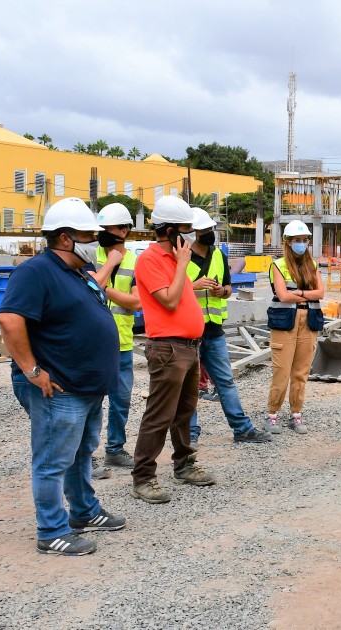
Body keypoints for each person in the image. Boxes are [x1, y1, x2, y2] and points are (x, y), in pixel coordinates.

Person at [0, 197, 125, 556]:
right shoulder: (35, 271)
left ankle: (84, 511)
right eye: (89, 235)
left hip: (85, 385)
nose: (95, 242)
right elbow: (10, 320)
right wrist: (32, 370)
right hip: (58, 387)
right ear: (66, 238)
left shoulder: (77, 272)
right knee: (53, 459)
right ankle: (51, 530)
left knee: (81, 453)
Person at [130, 196, 216, 504]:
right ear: (169, 231)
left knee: (184, 412)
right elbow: (168, 299)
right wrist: (182, 265)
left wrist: (182, 266)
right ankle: (143, 477)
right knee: (159, 415)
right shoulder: (150, 260)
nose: (191, 234)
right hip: (168, 347)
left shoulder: (174, 261)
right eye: (186, 229)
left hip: (188, 347)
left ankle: (183, 464)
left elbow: (181, 293)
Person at [187, 207, 271, 446]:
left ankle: (242, 429)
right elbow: (173, 292)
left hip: (214, 331)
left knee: (225, 381)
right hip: (190, 332)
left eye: (210, 229)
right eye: (204, 230)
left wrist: (220, 291)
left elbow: (227, 289)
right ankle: (190, 434)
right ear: (193, 232)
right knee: (190, 386)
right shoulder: (181, 259)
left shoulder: (218, 255)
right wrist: (194, 286)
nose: (209, 233)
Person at [89, 202, 142, 469]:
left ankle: (115, 448)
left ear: (123, 231)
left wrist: (104, 290)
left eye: (108, 229)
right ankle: (85, 455)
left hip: (122, 341)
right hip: (94, 343)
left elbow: (136, 303)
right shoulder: (89, 255)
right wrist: (109, 263)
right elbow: (89, 288)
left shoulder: (135, 260)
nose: (102, 233)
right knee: (91, 403)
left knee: (121, 401)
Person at [266, 219, 325, 435]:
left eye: (305, 240)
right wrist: (304, 294)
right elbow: (282, 295)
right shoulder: (278, 265)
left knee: (300, 372)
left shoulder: (313, 265)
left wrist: (299, 294)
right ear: (288, 242)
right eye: (297, 240)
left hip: (308, 321)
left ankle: (295, 413)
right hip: (285, 322)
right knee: (281, 371)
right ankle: (272, 413)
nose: (302, 244)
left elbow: (320, 293)